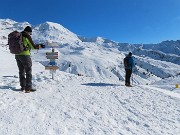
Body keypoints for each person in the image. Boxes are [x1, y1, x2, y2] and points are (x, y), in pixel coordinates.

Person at [15, 26, 42, 93]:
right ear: (29, 32)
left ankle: (23, 87)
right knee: (28, 71)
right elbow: (33, 47)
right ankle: (28, 88)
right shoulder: (27, 36)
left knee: (21, 71)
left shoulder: (18, 36)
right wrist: (40, 46)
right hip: (25, 55)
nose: (30, 34)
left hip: (17, 55)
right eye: (30, 33)